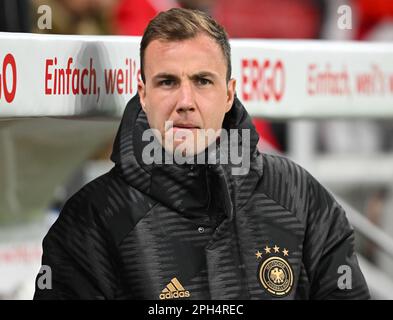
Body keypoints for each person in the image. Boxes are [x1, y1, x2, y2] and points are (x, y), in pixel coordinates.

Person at [34, 8, 370, 300]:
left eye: (202, 81)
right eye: (167, 82)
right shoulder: (92, 220)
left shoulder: (299, 196)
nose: (185, 102)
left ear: (228, 94)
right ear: (144, 94)